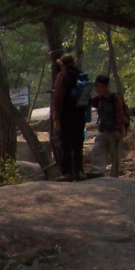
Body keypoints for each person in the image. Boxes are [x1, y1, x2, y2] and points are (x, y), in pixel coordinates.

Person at [51, 53, 88, 181]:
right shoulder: (81, 75)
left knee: (65, 144)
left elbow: (58, 98)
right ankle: (80, 171)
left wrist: (56, 118)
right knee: (78, 143)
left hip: (66, 116)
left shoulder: (63, 76)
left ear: (62, 64)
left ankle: (66, 173)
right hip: (79, 115)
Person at [90, 74, 127, 178]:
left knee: (114, 154)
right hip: (103, 130)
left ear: (104, 86)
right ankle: (97, 171)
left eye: (98, 86)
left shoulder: (115, 98)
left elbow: (120, 115)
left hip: (114, 131)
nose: (97, 89)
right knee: (97, 149)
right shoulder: (99, 99)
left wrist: (119, 130)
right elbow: (89, 103)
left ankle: (114, 176)